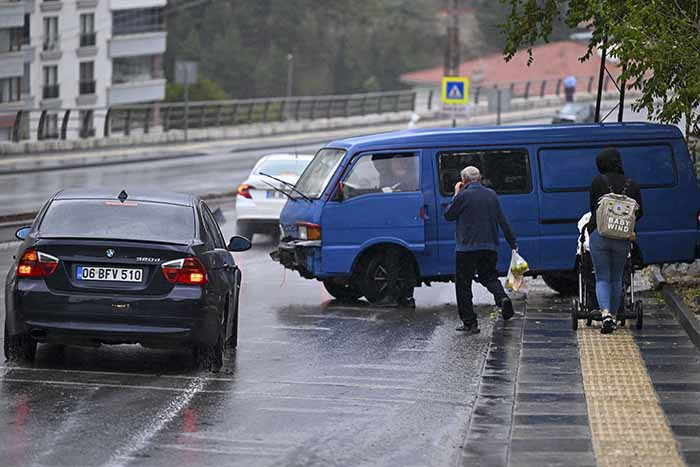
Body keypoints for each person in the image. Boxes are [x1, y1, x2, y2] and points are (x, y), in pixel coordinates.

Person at [444, 166, 517, 334]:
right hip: (489, 246)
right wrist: (512, 241)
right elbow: (502, 220)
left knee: (463, 284)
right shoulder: (491, 194)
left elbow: (448, 215)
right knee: (489, 276)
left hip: (466, 248)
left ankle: (470, 323)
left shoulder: (462, 195)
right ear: (480, 178)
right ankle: (502, 298)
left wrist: (456, 193)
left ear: (464, 181)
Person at [587, 148, 643, 334]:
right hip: (622, 237)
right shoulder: (632, 184)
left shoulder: (597, 182)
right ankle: (614, 314)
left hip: (600, 236)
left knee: (602, 277)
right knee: (616, 277)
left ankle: (605, 316)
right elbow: (640, 213)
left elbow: (593, 210)